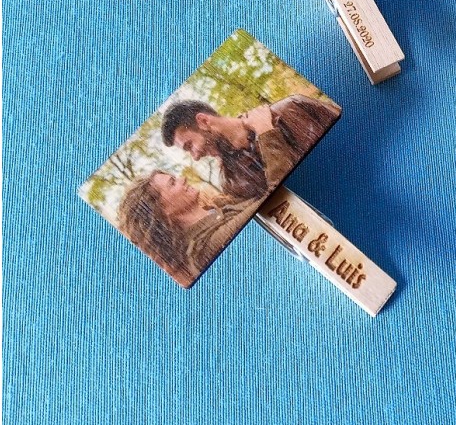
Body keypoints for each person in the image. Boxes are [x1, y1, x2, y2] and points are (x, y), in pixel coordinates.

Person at [161, 95, 341, 200]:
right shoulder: (231, 182)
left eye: (189, 145)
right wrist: (266, 134)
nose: (195, 156)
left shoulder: (292, 108)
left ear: (204, 121)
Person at [117, 170, 260, 286]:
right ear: (162, 211)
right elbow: (260, 207)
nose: (183, 179)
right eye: (173, 183)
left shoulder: (222, 204)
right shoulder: (200, 249)